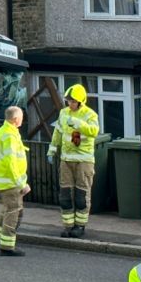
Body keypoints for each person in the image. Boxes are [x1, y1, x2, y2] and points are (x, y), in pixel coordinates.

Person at [47, 84, 99, 238]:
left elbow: (94, 131)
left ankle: (80, 226)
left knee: (81, 195)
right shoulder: (63, 113)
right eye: (69, 101)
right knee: (65, 194)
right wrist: (52, 148)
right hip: (66, 159)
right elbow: (58, 132)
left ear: (81, 101)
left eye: (73, 101)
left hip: (84, 160)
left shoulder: (90, 115)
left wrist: (79, 124)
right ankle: (68, 226)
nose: (70, 104)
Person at [0, 106, 30, 256]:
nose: (23, 119)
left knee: (9, 210)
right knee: (14, 212)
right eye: (22, 117)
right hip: (11, 182)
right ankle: (7, 247)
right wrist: (21, 183)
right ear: (16, 119)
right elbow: (11, 162)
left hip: (5, 181)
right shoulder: (10, 135)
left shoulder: (4, 131)